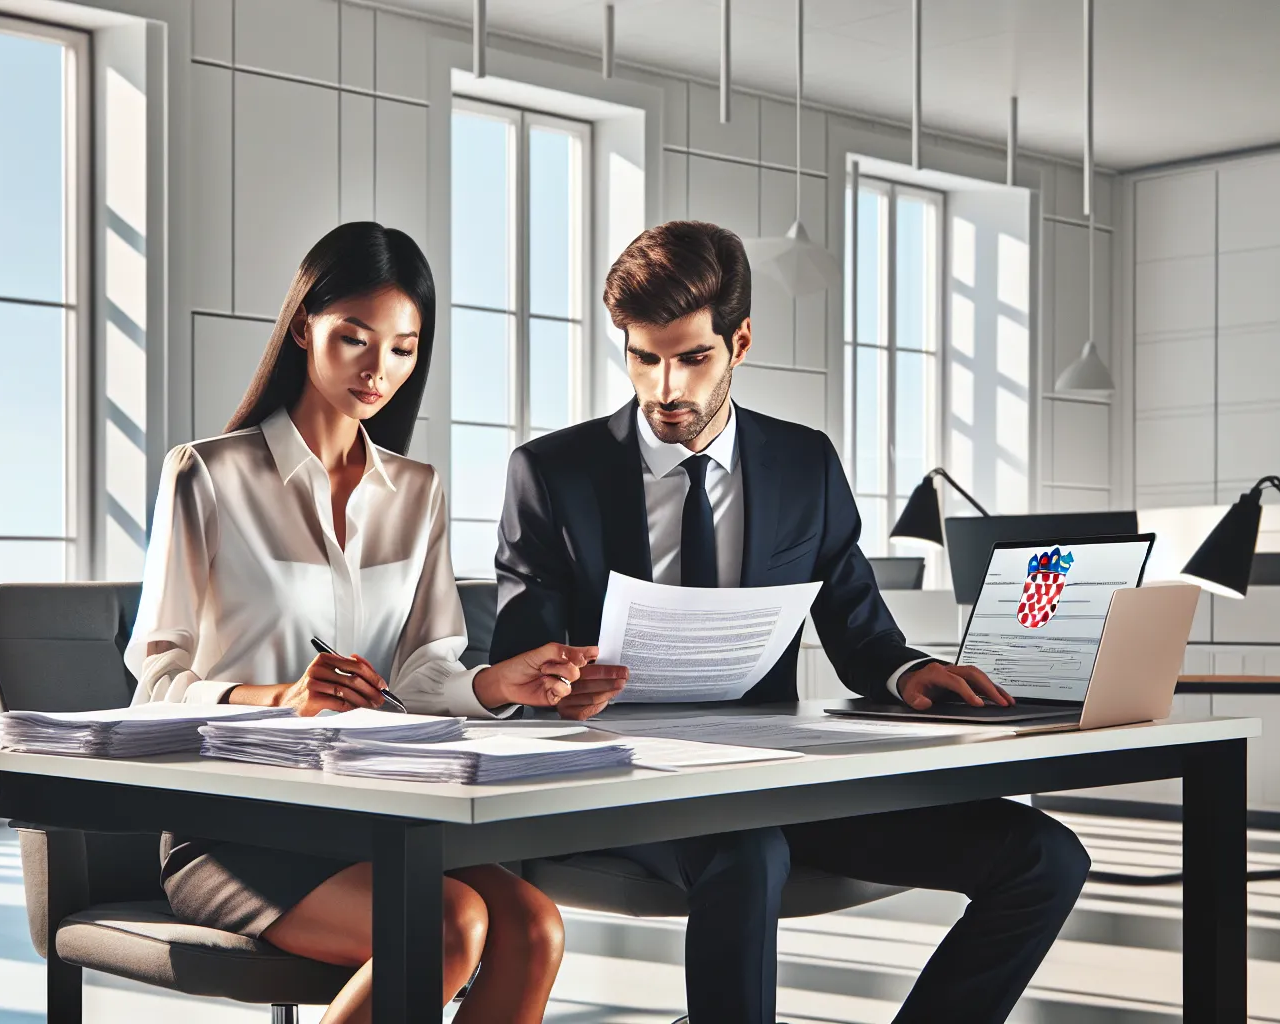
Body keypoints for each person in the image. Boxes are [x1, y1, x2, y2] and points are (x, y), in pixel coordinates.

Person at [490, 221, 1092, 1024]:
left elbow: (858, 627)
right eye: (643, 357)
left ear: (739, 341)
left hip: (776, 782)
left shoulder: (804, 463)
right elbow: (516, 658)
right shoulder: (553, 473)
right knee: (747, 848)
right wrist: (555, 689)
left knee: (1044, 854)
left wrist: (909, 671)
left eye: (692, 358)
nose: (665, 387)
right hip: (619, 790)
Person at [125, 221, 591, 1024]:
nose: (381, 369)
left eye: (405, 347)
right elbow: (157, 684)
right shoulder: (207, 473)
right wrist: (279, 698)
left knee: (537, 927)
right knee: (449, 926)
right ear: (304, 326)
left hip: (377, 814)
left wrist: (492, 681)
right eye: (355, 338)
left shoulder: (419, 491)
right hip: (235, 826)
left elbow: (420, 673)